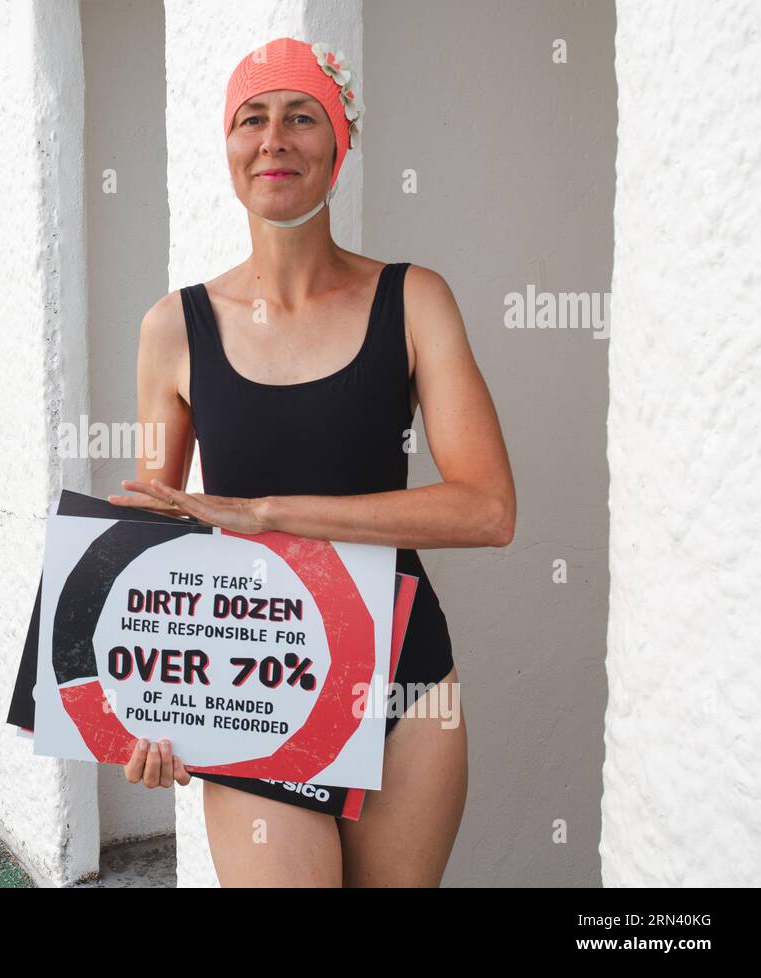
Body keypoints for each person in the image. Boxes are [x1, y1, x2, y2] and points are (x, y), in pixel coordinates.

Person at [110, 37, 515, 886]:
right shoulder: (171, 328)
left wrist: (269, 513)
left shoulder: (413, 300)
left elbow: (486, 509)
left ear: (340, 145)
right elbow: (151, 522)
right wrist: (143, 698)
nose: (274, 139)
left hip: (406, 684)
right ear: (227, 148)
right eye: (250, 119)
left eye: (303, 116)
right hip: (251, 680)